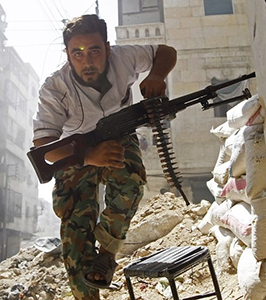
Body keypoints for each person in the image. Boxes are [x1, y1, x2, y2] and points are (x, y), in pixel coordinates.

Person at [32, 14, 177, 300]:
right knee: (75, 236)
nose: (87, 61)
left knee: (131, 180)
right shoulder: (55, 88)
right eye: (78, 53)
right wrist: (87, 156)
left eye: (95, 51)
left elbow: (166, 53)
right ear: (68, 55)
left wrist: (157, 75)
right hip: (75, 152)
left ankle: (107, 253)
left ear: (108, 49)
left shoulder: (124, 58)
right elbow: (44, 146)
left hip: (117, 136)